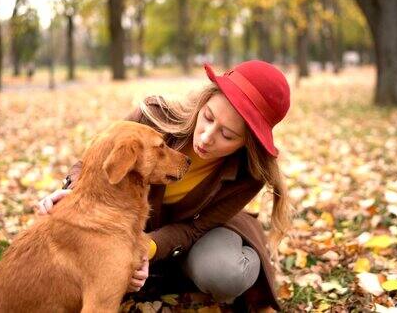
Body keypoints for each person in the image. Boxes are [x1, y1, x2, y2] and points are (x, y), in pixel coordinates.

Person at [38, 60, 291, 312]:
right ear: (203, 102)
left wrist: (143, 249)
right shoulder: (155, 116)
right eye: (208, 117)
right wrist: (72, 190)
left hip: (200, 232)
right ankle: (160, 273)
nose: (205, 137)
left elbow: (194, 229)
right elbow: (99, 156)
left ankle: (249, 263)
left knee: (223, 273)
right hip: (134, 227)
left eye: (227, 135)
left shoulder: (250, 174)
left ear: (247, 143)